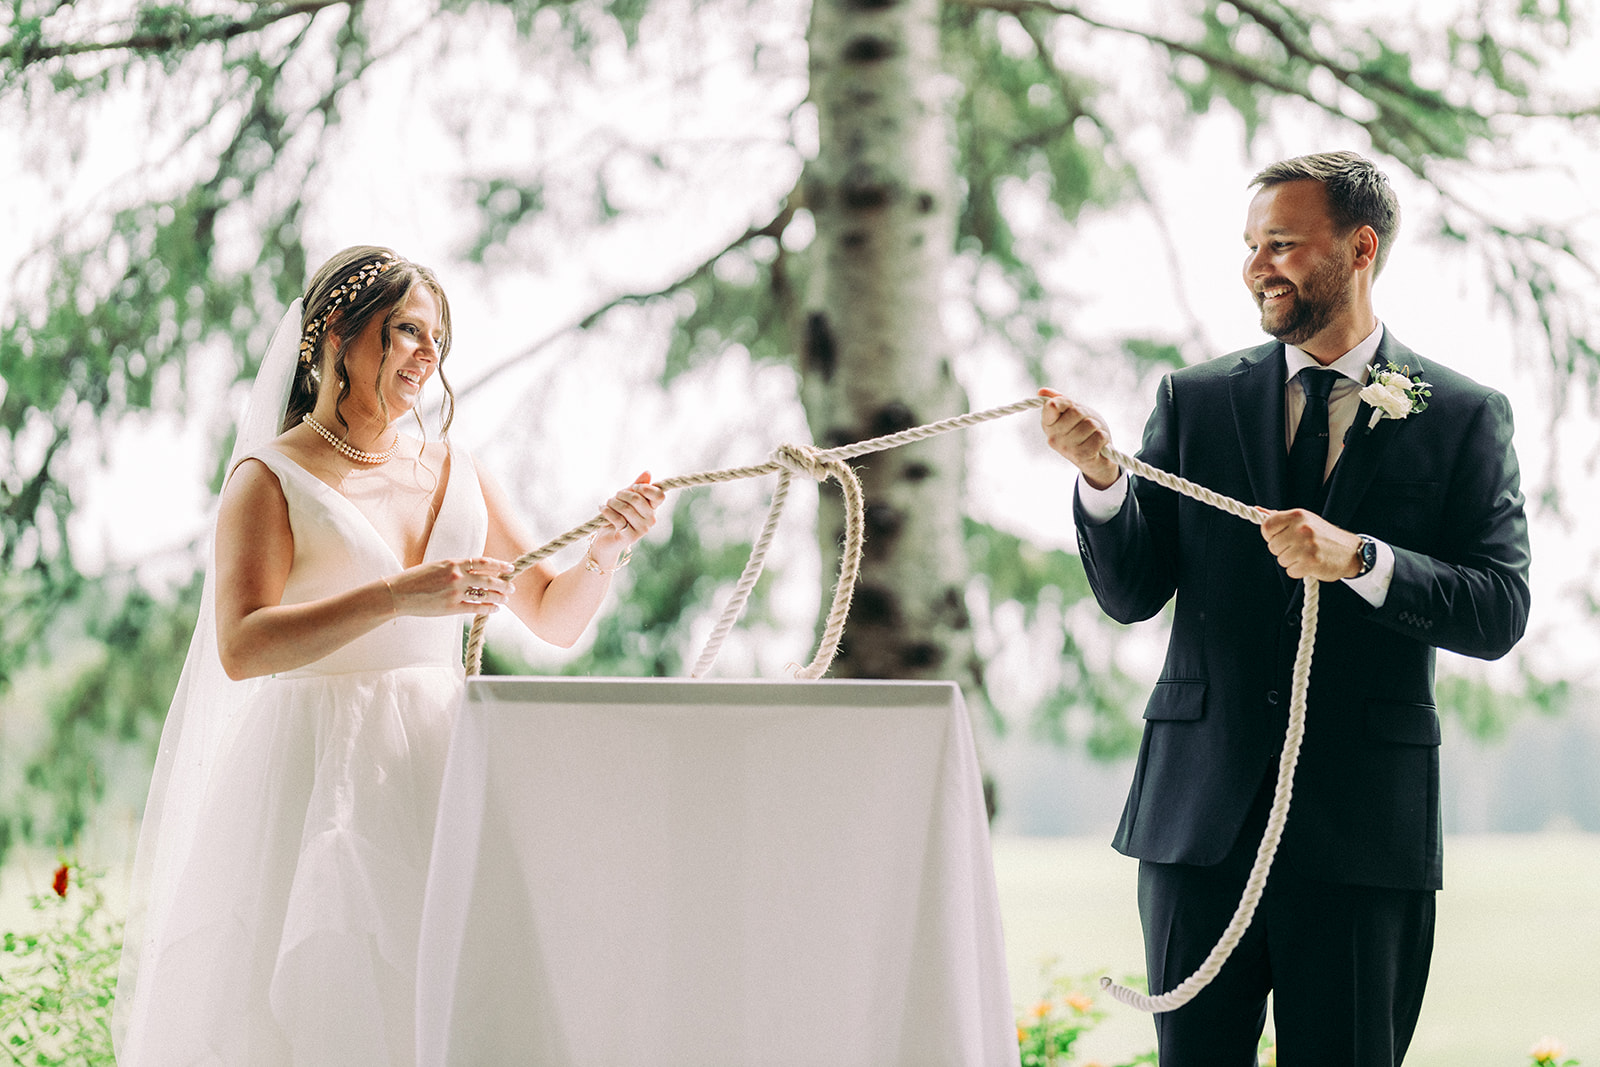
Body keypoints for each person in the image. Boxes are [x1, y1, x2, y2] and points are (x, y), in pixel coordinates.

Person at [113, 245, 665, 1064]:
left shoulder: (459, 469)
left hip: (442, 760)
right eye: (408, 330)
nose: (429, 355)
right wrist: (400, 597)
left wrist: (608, 550)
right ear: (338, 330)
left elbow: (552, 615)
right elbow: (241, 644)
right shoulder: (269, 476)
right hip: (314, 773)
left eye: (436, 338)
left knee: (463, 1003)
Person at [1039, 152, 1531, 1065]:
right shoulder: (1195, 399)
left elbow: (1499, 608)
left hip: (1361, 837)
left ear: (1360, 247)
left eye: (1283, 244)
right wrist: (1104, 482)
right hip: (1198, 826)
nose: (1257, 265)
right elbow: (1132, 591)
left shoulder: (1465, 414)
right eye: (1251, 245)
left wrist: (1363, 560)